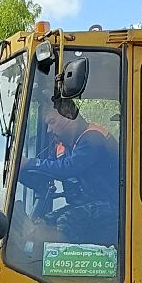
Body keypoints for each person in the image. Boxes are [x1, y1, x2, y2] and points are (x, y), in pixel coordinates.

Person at [16, 101, 120, 245]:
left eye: (52, 122)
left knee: (66, 222)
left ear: (69, 115)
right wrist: (21, 172)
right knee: (45, 221)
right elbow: (47, 172)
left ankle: (66, 260)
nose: (48, 130)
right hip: (86, 205)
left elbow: (69, 168)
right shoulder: (61, 147)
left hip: (114, 206)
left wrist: (30, 162)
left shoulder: (94, 138)